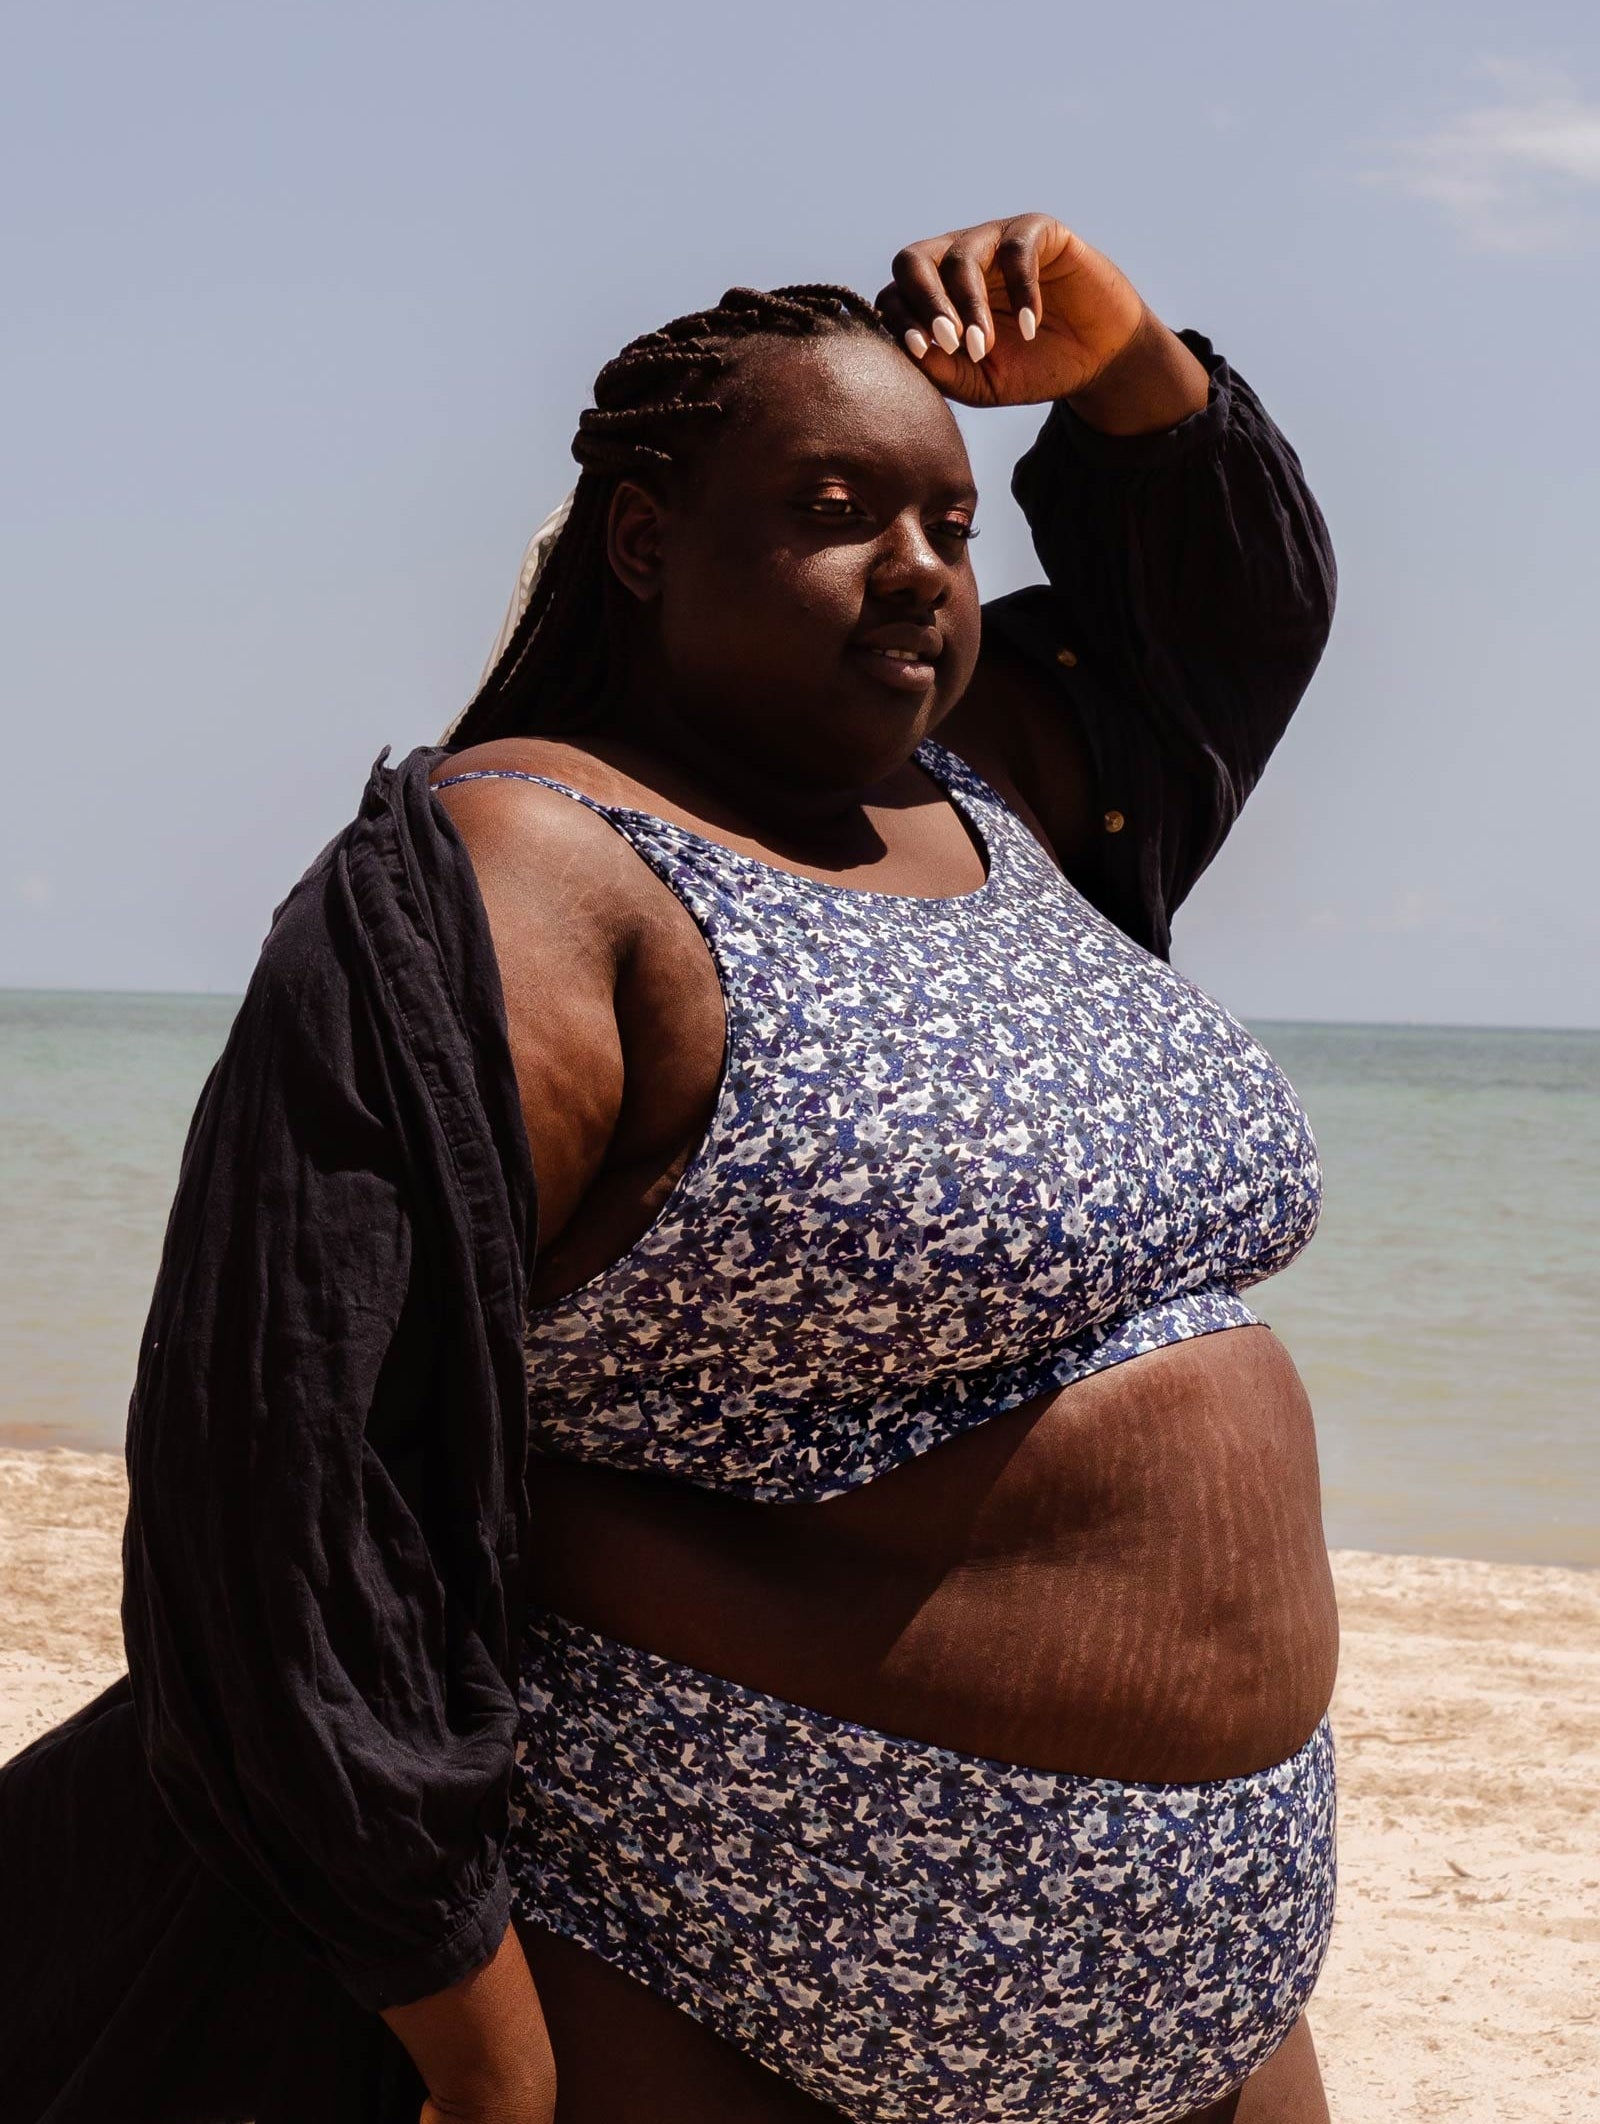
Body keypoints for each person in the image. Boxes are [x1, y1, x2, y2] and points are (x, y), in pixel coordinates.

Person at [0, 214, 1338, 2124]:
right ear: (643, 543)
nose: (919, 576)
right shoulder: (528, 875)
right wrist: (471, 2042)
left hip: (1206, 1989)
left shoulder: (995, 788)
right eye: (835, 508)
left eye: (954, 526)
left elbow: (1218, 624)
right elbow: (295, 1474)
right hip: (705, 1964)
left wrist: (1125, 367)